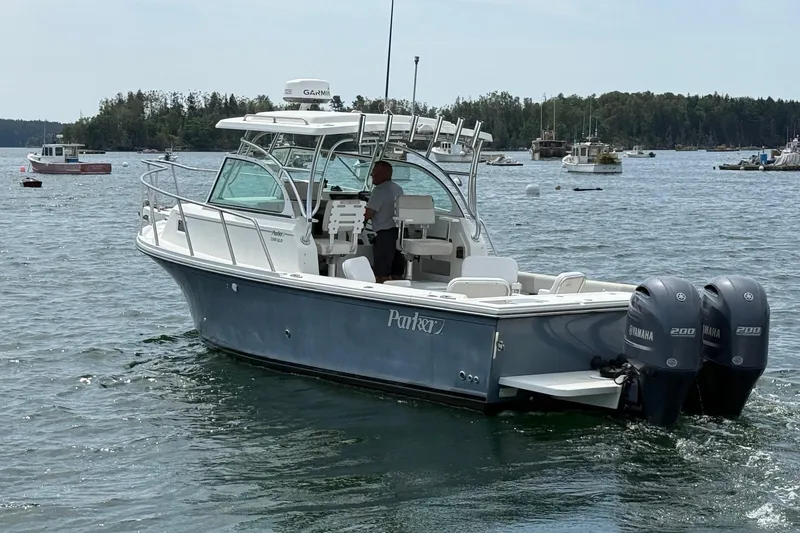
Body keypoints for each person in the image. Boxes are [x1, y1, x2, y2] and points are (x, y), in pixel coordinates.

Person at [364, 160, 405, 283]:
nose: (371, 175)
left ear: (385, 174)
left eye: (374, 172)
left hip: (385, 235)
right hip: (399, 234)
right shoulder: (398, 189)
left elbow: (367, 214)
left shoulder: (379, 191)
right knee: (396, 273)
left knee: (381, 275)